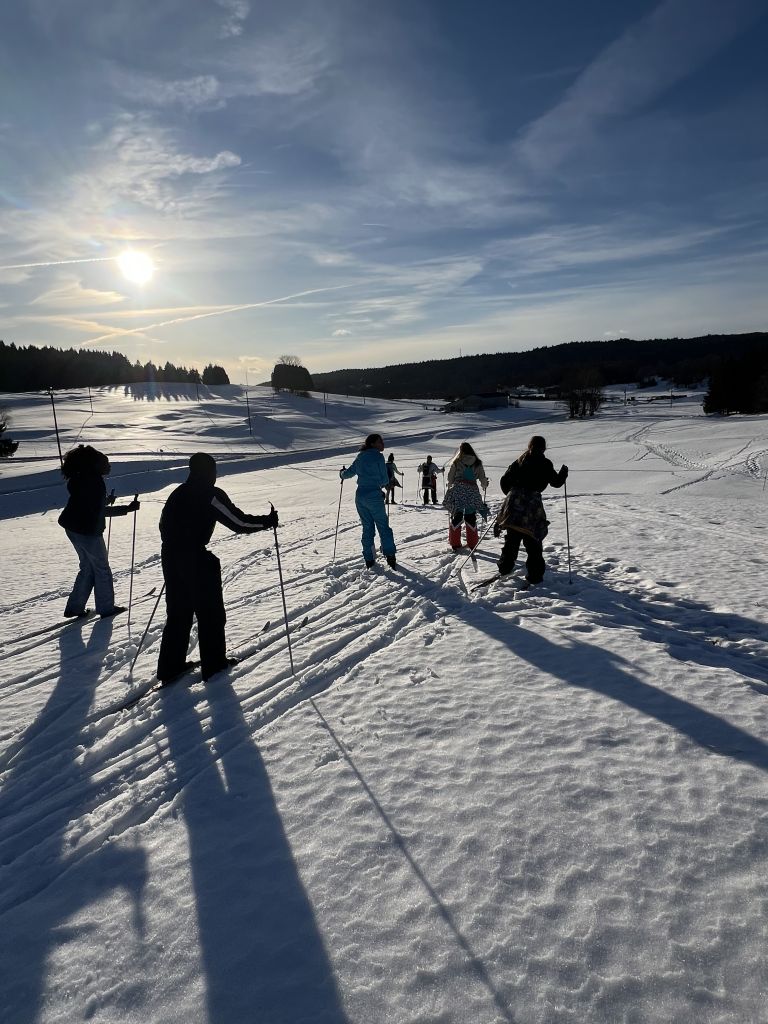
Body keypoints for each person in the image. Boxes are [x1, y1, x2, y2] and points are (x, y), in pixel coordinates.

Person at [156, 452, 278, 684]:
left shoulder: (178, 492)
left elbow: (162, 525)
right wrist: (267, 521)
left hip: (170, 556)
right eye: (214, 470)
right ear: (209, 471)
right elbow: (238, 522)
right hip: (195, 558)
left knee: (178, 613)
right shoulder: (210, 493)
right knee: (210, 613)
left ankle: (170, 667)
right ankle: (213, 665)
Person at [58, 445, 139, 618]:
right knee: (101, 568)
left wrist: (104, 500)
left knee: (87, 567)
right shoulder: (94, 482)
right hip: (87, 531)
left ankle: (74, 607)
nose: (109, 466)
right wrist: (127, 508)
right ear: (95, 465)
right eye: (106, 463)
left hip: (72, 527)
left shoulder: (81, 477)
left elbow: (87, 504)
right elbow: (97, 511)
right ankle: (106, 608)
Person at [493, 435, 567, 584]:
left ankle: (505, 568)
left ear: (529, 446)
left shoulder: (520, 460)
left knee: (512, 538)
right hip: (532, 505)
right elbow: (556, 483)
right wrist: (563, 473)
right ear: (544, 448)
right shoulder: (545, 464)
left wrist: (511, 495)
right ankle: (535, 575)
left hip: (514, 502)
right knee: (533, 540)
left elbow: (504, 480)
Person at [340, 434, 397, 568]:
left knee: (367, 527)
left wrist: (341, 473)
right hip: (374, 496)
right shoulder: (378, 457)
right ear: (372, 444)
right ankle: (390, 555)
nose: (382, 443)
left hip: (360, 496)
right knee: (383, 526)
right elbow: (384, 480)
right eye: (380, 441)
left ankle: (369, 559)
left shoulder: (360, 456)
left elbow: (348, 474)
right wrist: (382, 484)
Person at [442, 442, 489, 551]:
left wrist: (451, 484)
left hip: (458, 490)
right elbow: (482, 479)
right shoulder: (477, 463)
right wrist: (485, 484)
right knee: (470, 516)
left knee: (457, 515)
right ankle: (472, 543)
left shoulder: (457, 462)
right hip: (472, 492)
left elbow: (450, 478)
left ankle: (455, 543)